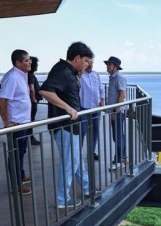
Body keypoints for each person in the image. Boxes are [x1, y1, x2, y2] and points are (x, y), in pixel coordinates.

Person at [39, 41, 94, 209]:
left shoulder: (69, 72)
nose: (87, 65)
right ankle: (62, 199)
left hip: (70, 126)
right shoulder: (62, 70)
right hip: (65, 126)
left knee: (75, 160)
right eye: (86, 61)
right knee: (70, 162)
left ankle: (87, 187)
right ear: (77, 58)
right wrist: (68, 108)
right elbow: (45, 90)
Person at [0, 49, 32, 195]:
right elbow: (2, 100)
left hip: (24, 122)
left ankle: (21, 175)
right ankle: (16, 185)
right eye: (26, 60)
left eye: (29, 59)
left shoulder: (22, 75)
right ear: (18, 63)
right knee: (15, 154)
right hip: (16, 123)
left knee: (21, 151)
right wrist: (7, 121)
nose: (30, 62)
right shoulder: (12, 77)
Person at [79, 59, 105, 160]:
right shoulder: (80, 75)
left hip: (96, 107)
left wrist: (102, 99)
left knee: (95, 130)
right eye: (88, 62)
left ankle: (91, 152)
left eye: (92, 63)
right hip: (83, 107)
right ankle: (78, 152)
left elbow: (101, 88)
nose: (90, 65)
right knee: (83, 131)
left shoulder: (96, 75)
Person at [104, 56, 127, 170]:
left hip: (117, 112)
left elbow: (122, 95)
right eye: (107, 64)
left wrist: (115, 111)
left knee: (117, 136)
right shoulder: (112, 77)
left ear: (115, 66)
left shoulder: (118, 77)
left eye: (110, 64)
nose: (108, 66)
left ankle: (119, 161)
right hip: (115, 111)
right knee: (118, 135)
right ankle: (122, 156)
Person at [28, 56, 41, 145]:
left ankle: (29, 137)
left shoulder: (28, 74)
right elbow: (31, 88)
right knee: (31, 120)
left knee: (30, 119)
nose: (37, 66)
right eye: (36, 64)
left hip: (30, 102)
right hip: (32, 102)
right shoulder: (30, 75)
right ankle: (31, 138)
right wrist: (34, 99)